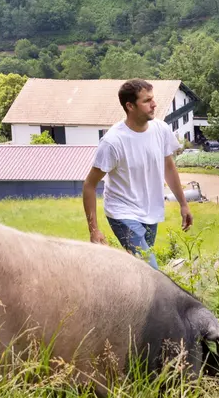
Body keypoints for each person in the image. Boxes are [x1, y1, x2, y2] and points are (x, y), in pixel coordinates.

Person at [83, 79, 193, 267]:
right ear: (130, 106)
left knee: (137, 268)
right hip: (122, 212)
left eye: (153, 99)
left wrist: (184, 204)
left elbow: (169, 167)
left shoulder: (161, 130)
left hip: (150, 211)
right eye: (146, 100)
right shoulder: (113, 142)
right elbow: (89, 186)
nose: (154, 104)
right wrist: (94, 230)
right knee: (151, 270)